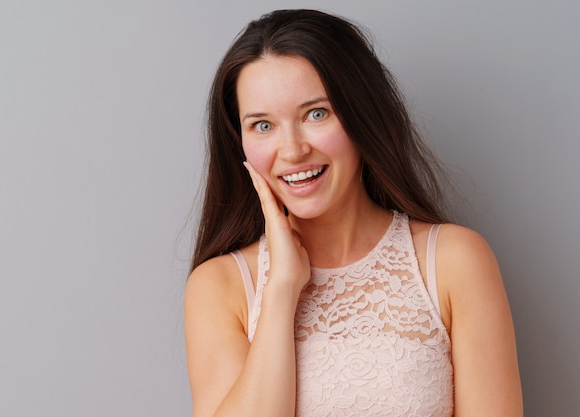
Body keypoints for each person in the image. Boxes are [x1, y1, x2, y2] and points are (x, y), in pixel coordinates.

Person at [184, 9, 522, 417]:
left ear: (363, 113)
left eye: (316, 113)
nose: (292, 151)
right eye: (263, 125)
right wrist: (281, 290)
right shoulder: (220, 286)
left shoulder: (454, 261)